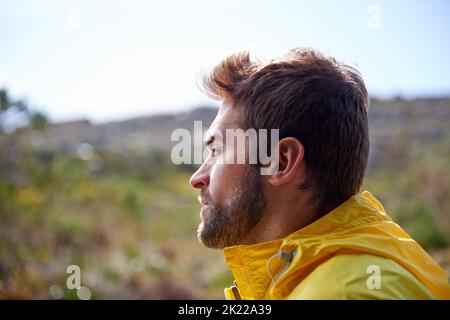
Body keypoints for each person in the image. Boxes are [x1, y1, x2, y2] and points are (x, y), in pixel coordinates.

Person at [189, 48, 450, 299]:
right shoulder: (359, 269)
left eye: (217, 150)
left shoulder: (343, 294)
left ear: (280, 162)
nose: (197, 178)